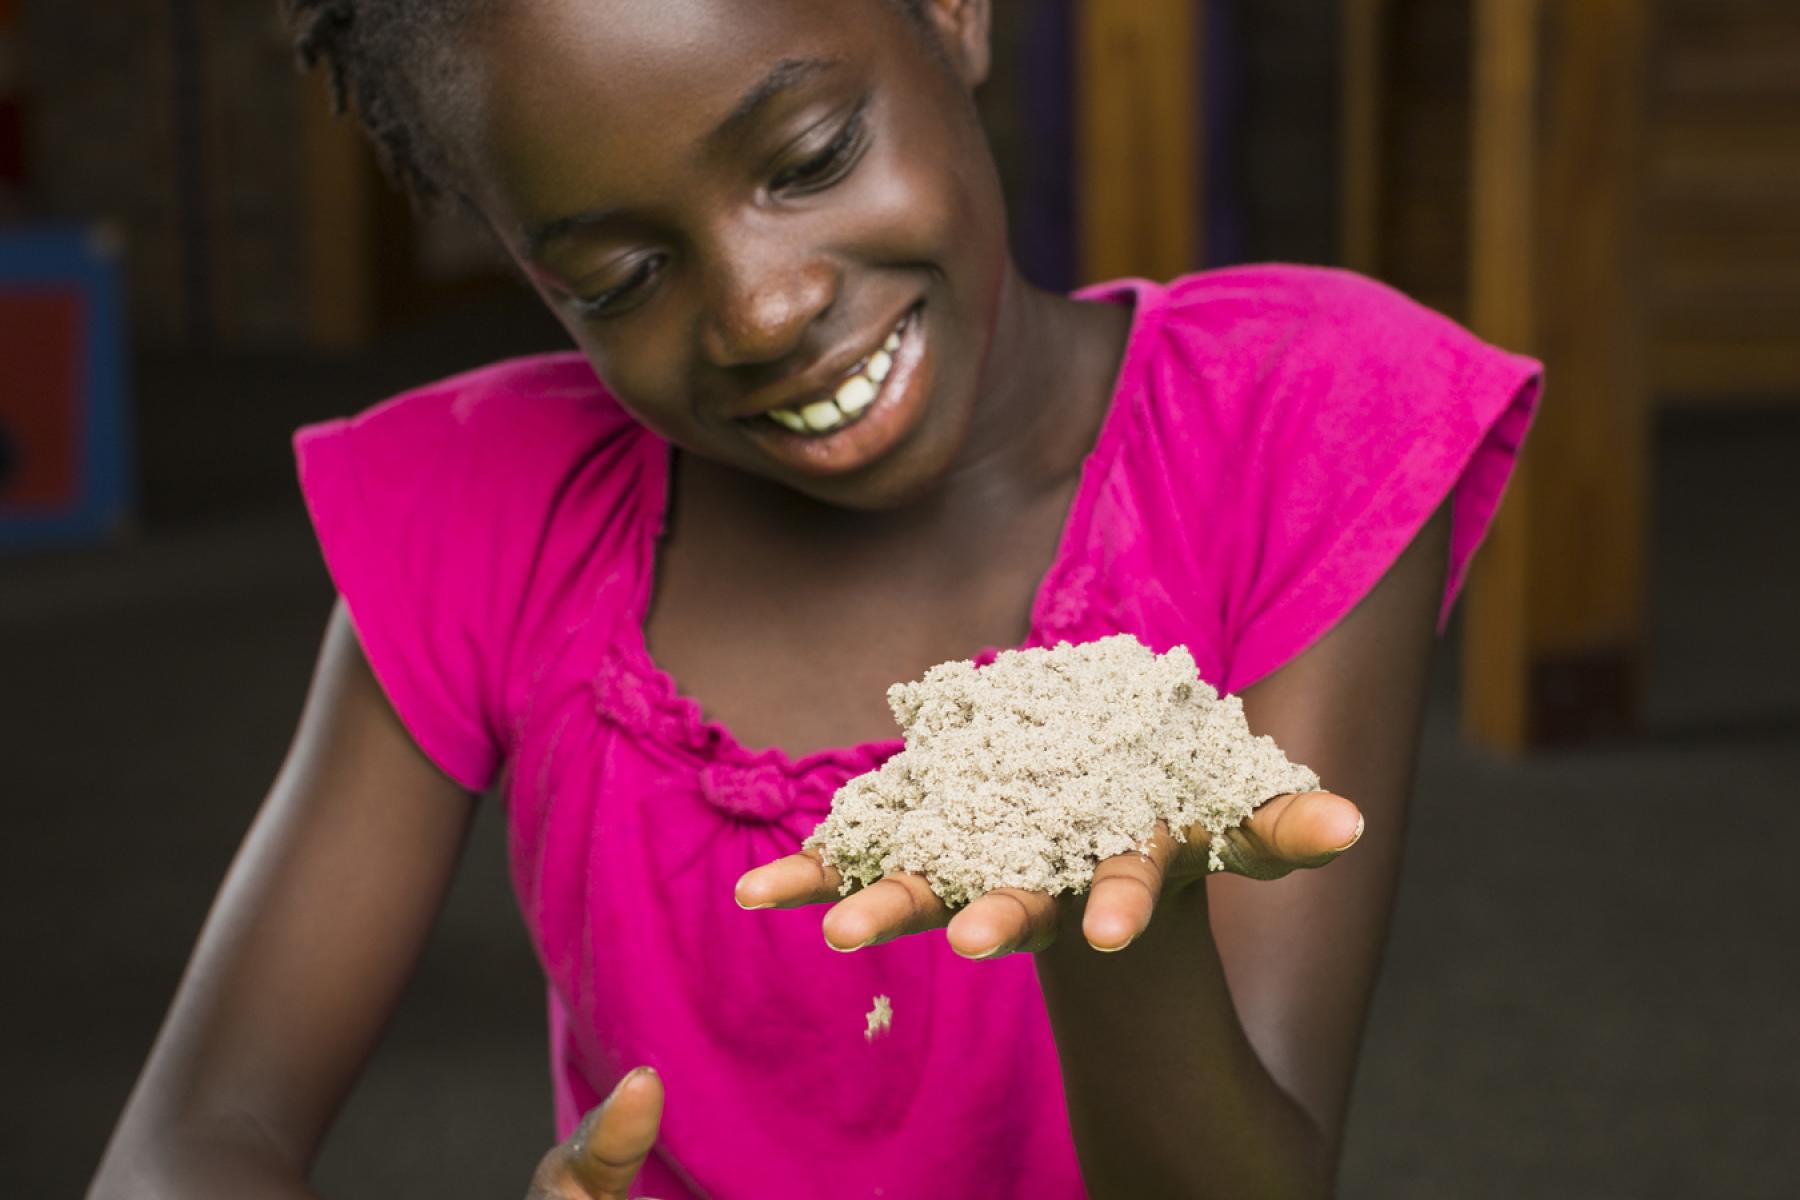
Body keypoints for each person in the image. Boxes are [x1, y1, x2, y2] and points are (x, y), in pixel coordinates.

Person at [88, 1, 1541, 1196]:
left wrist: (1118, 923)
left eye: (809, 157)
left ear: (955, 15)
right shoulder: (487, 517)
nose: (762, 308)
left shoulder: (1303, 432)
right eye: (622, 273)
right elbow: (198, 1135)